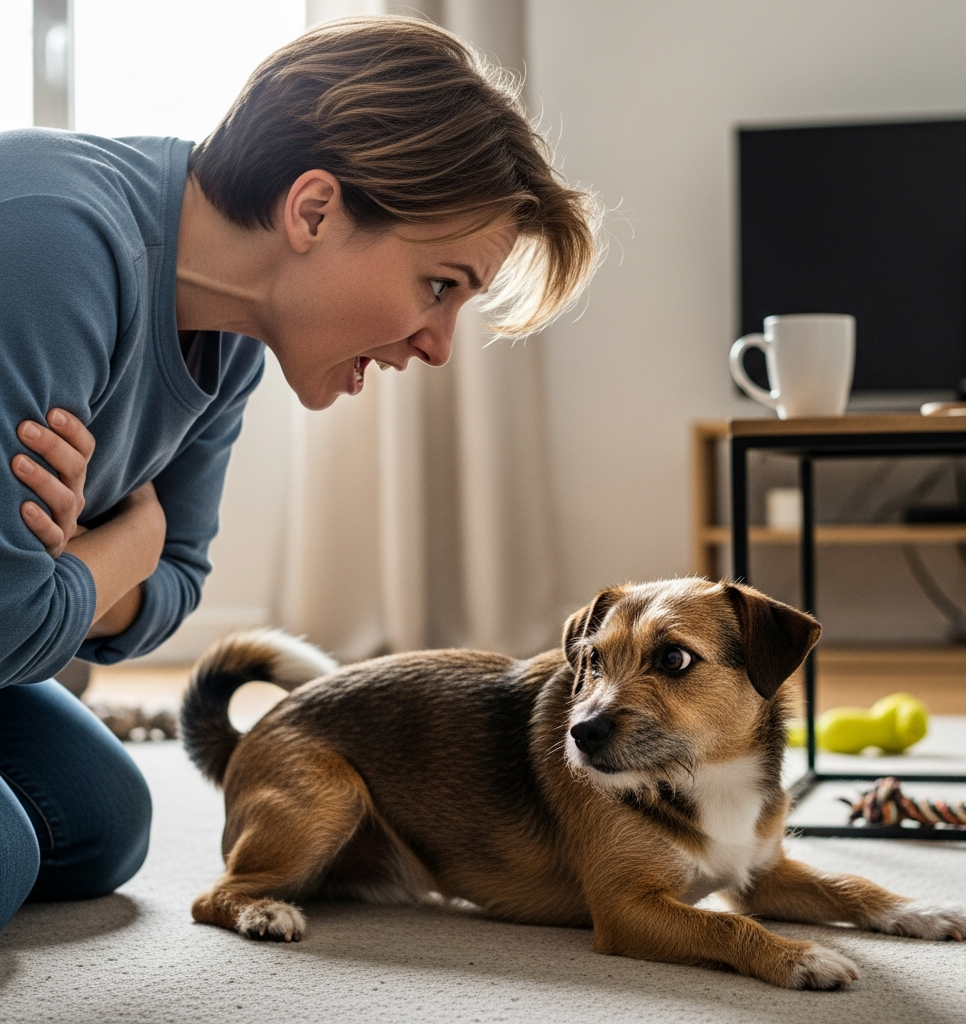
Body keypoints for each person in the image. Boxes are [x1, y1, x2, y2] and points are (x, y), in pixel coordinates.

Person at [0, 15, 600, 932]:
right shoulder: (56, 239)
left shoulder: (234, 337)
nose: (439, 346)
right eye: (440, 285)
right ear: (314, 209)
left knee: (101, 825)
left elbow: (175, 587)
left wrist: (83, 571)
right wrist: (129, 542)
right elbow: (18, 625)